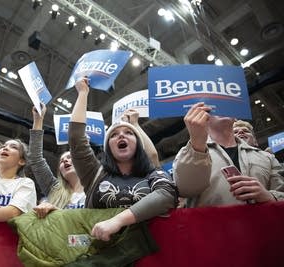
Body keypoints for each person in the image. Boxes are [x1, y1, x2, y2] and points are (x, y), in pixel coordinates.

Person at [68, 78, 177, 241]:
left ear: (138, 145)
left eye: (129, 133)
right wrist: (83, 93)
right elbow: (76, 138)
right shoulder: (94, 174)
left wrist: (117, 221)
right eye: (113, 134)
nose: (120, 135)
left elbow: (167, 194)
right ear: (108, 148)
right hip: (100, 253)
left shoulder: (151, 173)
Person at [173, 102, 284, 207]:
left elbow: (281, 192)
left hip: (263, 225)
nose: (221, 109)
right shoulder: (187, 154)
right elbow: (185, 190)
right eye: (213, 107)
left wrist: (270, 196)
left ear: (235, 118)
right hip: (211, 226)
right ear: (204, 118)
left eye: (225, 106)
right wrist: (196, 142)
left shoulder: (267, 157)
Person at [28, 105, 85, 218]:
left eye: (69, 157)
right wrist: (38, 120)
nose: (65, 161)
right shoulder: (53, 188)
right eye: (61, 161)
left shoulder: (98, 188)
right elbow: (36, 159)